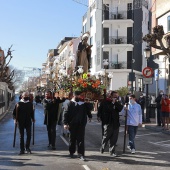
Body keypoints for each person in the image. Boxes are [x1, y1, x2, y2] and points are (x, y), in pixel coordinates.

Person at [63, 91, 92, 161]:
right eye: (78, 96)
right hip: (72, 124)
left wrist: (90, 115)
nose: (79, 97)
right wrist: (65, 123)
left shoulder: (83, 104)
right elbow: (65, 114)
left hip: (81, 124)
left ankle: (81, 154)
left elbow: (89, 109)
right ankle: (71, 152)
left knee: (81, 139)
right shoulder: (69, 103)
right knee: (72, 139)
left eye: (80, 96)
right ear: (74, 96)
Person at [97, 91, 123, 157]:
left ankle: (112, 151)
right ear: (111, 96)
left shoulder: (117, 102)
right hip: (108, 122)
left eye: (116, 96)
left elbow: (120, 108)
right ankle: (102, 147)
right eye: (114, 96)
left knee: (114, 138)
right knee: (106, 136)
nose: (115, 97)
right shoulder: (105, 102)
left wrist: (115, 103)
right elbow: (107, 109)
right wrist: (112, 103)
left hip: (115, 123)